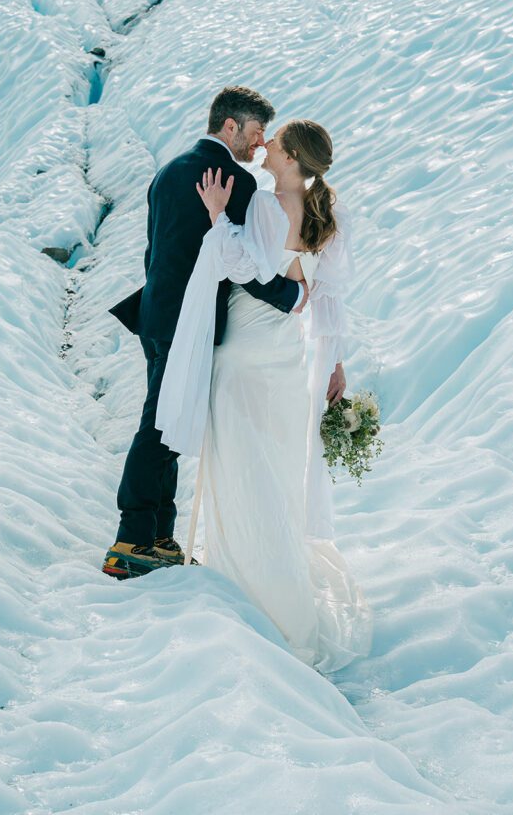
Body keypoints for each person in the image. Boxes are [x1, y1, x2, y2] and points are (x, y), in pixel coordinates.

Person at [156, 119, 373, 673]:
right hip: (287, 361)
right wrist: (338, 361)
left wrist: (215, 216)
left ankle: (250, 586)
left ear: (292, 155)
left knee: (237, 472)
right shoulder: (328, 213)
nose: (266, 145)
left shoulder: (264, 204)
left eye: (275, 142)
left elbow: (243, 266)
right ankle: (280, 583)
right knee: (274, 474)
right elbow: (324, 297)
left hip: (246, 353)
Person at [103, 86, 308, 580]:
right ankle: (129, 540)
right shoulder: (230, 179)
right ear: (231, 125)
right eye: (256, 134)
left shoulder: (170, 169)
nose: (260, 147)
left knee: (171, 419)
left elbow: (156, 249)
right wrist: (291, 298)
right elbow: (241, 263)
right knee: (160, 423)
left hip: (156, 313)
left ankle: (158, 536)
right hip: (186, 321)